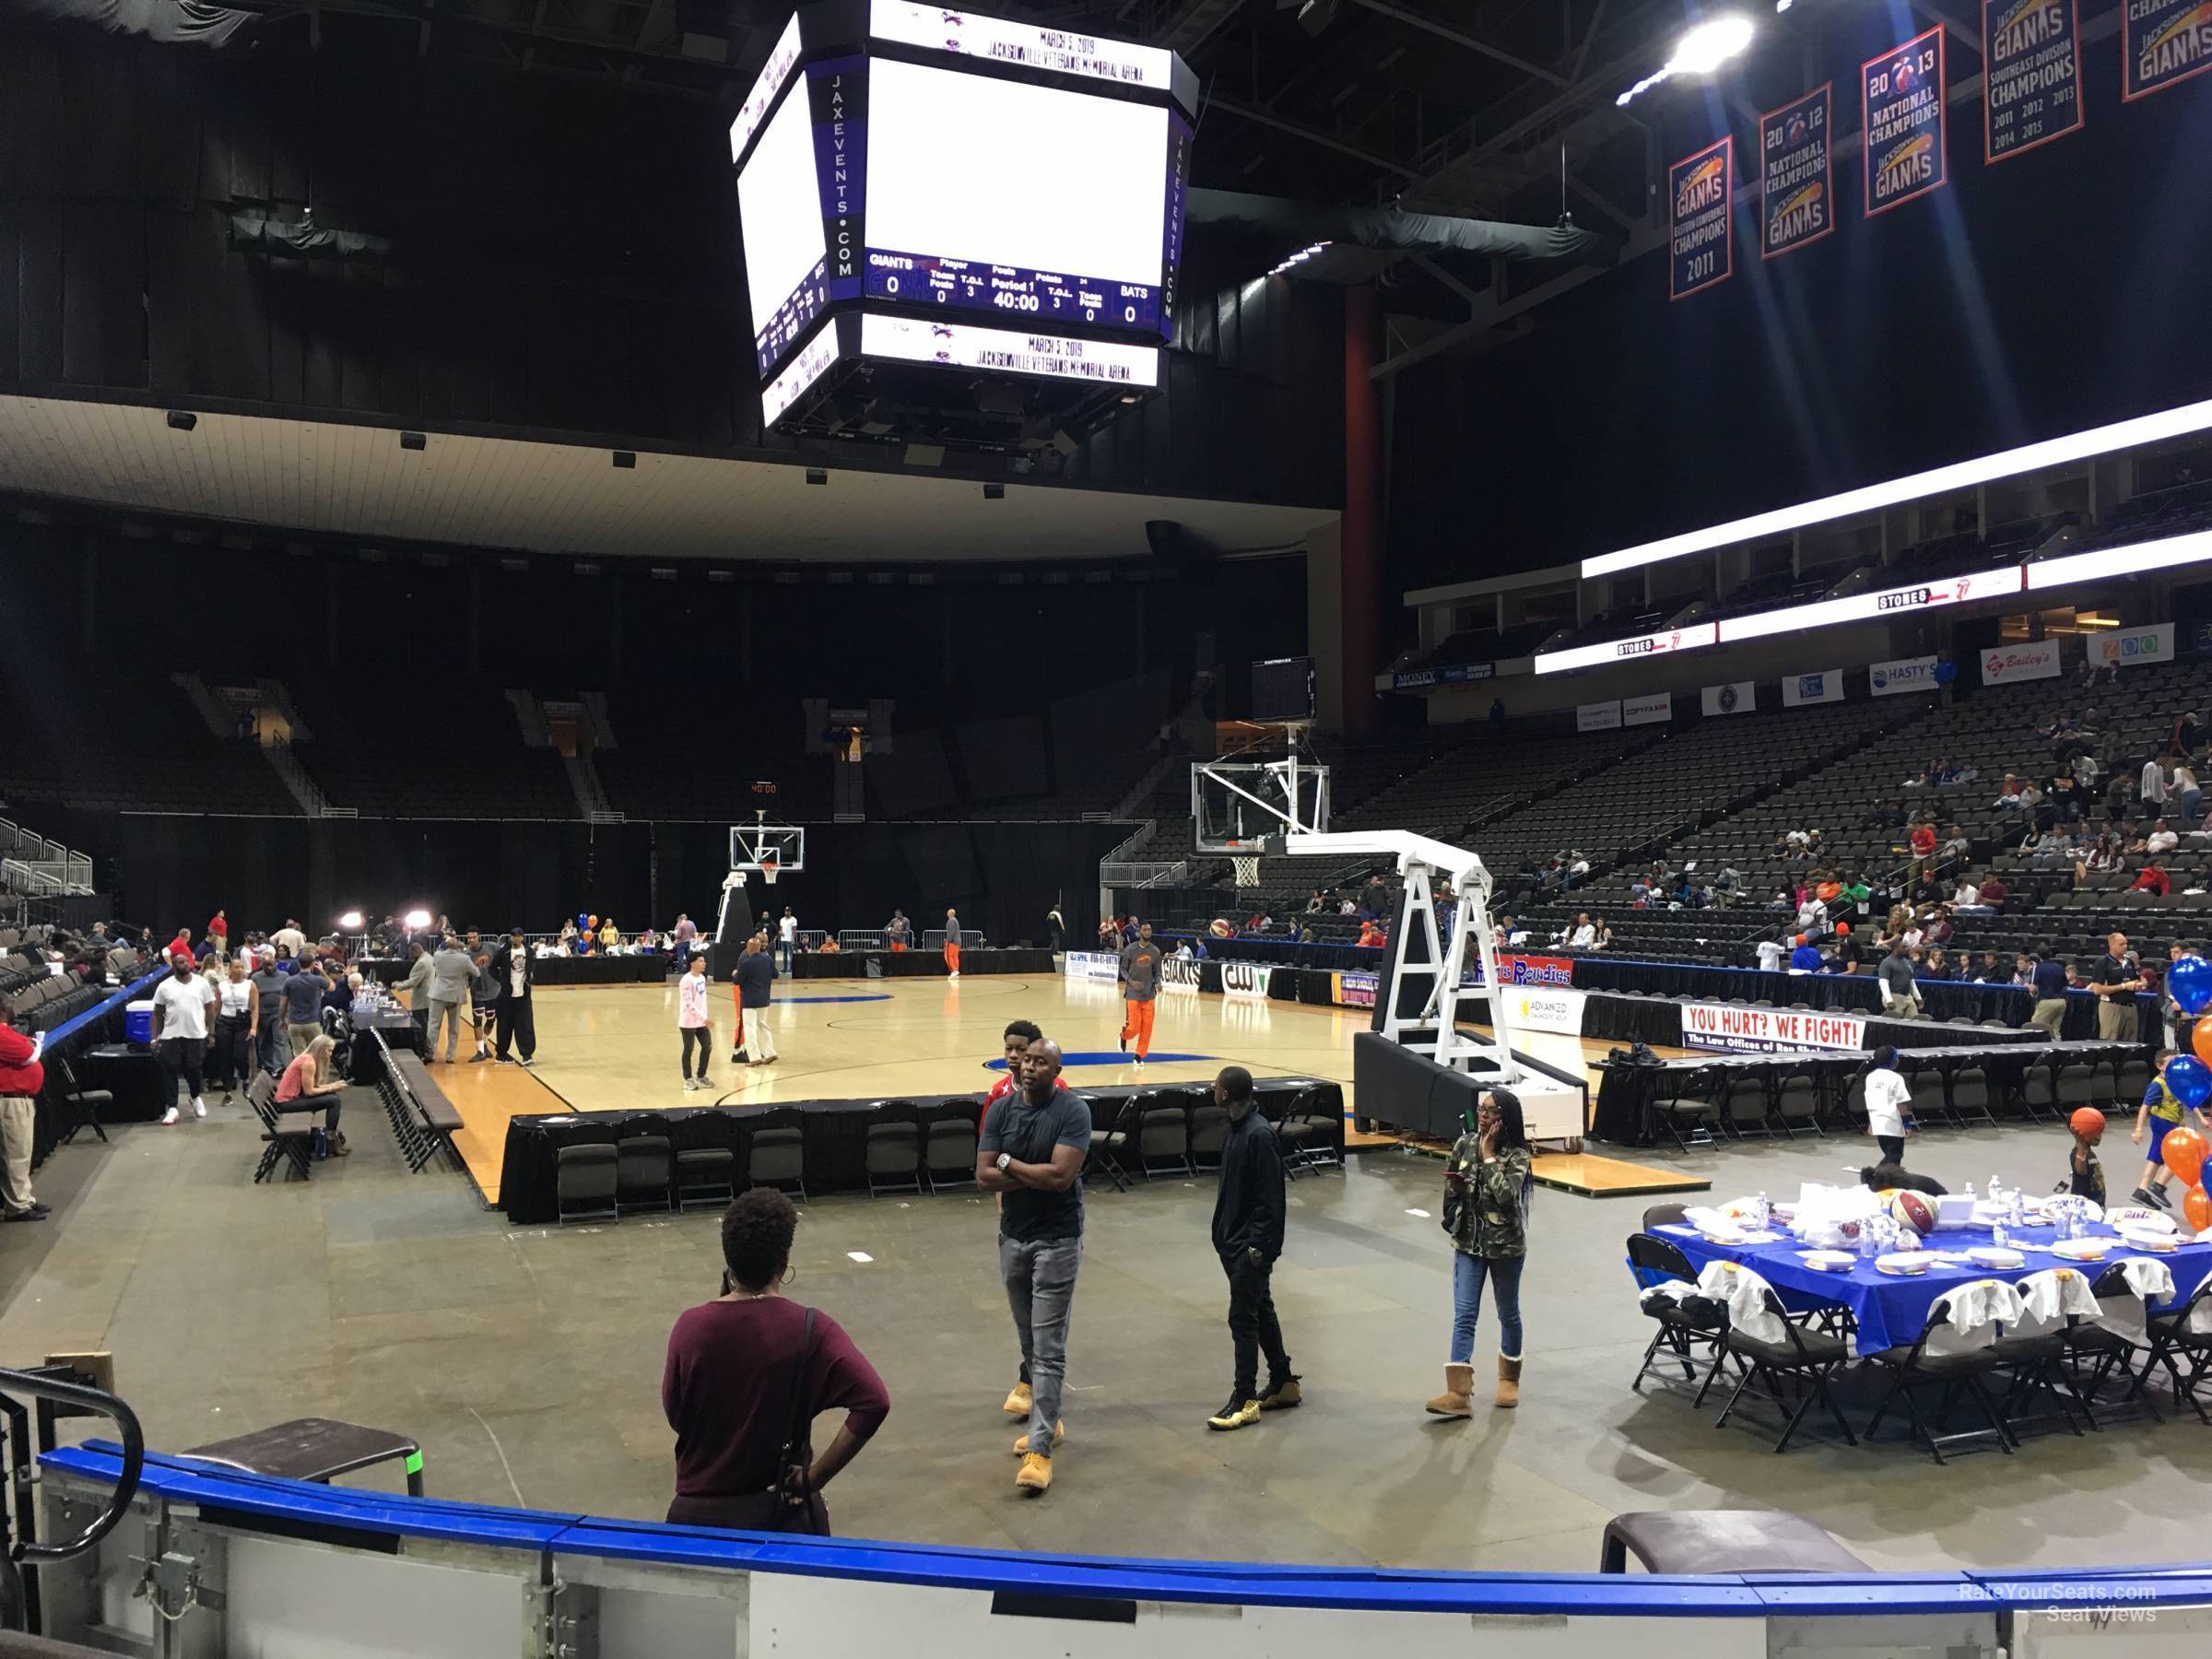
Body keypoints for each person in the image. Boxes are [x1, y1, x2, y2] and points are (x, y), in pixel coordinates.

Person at [662, 1189, 890, 1534]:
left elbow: (677, 1415)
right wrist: (814, 1478)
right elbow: (874, 1402)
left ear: (729, 1261)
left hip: (696, 1519)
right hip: (777, 1514)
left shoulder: (690, 1327)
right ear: (783, 1261)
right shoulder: (812, 1329)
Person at [977, 1041, 1088, 1494]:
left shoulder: (1072, 1112)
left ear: (1056, 1069)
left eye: (1040, 1062)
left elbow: (1061, 1178)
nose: (1029, 1067)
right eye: (1026, 1060)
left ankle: (1040, 1448)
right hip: (1013, 1239)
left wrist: (1009, 1163)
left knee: (1047, 1348)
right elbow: (983, 1176)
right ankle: (1050, 1421)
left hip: (1057, 1242)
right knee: (1028, 1343)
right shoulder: (1001, 1110)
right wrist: (1029, 1171)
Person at [1427, 1088, 1531, 1418]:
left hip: (1506, 1248)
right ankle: (1458, 1393)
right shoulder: (1463, 1145)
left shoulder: (1518, 1155)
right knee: (1465, 1315)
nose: (1482, 1116)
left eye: (1490, 1111)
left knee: (1508, 1313)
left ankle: (1508, 1379)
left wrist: (1487, 1155)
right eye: (1480, 1109)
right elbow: (1449, 1191)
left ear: (1505, 1118)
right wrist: (1456, 1189)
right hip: (1469, 1245)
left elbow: (1506, 1196)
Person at [1206, 1066, 1298, 1431]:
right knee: (1261, 1307)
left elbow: (1271, 1201)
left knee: (1242, 1319)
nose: (1212, 1090)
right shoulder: (1237, 1130)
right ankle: (1283, 1381)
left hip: (1250, 1248)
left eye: (1216, 1086)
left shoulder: (1258, 1135)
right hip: (1234, 1242)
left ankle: (1244, 1398)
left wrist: (1257, 1249)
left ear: (1225, 1094)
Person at [2130, 1052, 2210, 1210]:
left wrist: (2200, 1118)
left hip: (2171, 1121)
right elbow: (2145, 1107)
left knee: (2155, 1158)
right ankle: (2158, 1186)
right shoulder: (2158, 1084)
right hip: (2163, 1122)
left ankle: (2141, 1190)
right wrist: (2138, 1129)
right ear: (2159, 1066)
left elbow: (2187, 1100)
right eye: (2171, 1063)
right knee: (2182, 1154)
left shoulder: (2175, 1080)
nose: (2176, 1067)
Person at [0, 995, 51, 1222]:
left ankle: (24, 1198)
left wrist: (31, 1044)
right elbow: (29, 1053)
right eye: (11, 1004)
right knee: (15, 1155)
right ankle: (18, 1205)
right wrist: (33, 1044)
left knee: (20, 1152)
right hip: (10, 1101)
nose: (15, 1008)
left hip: (19, 1099)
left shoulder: (6, 1031)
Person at [152, 952, 218, 1124]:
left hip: (195, 1034)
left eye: (185, 961)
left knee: (194, 1069)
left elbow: (210, 1009)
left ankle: (195, 1097)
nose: (184, 964)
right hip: (171, 1035)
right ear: (174, 966)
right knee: (169, 1070)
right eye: (179, 962)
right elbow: (157, 1014)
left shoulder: (201, 983)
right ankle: (173, 1107)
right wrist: (154, 1038)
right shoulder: (164, 986)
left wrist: (211, 1032)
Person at [275, 1032, 349, 1152]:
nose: (330, 1055)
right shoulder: (309, 1063)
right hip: (286, 1103)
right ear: (320, 1049)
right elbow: (309, 1092)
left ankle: (331, 1136)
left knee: (333, 1096)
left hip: (291, 1099)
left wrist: (333, 1086)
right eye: (328, 1051)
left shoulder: (307, 1058)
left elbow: (310, 1087)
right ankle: (330, 1138)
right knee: (333, 1100)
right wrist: (331, 1088)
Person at [209, 956, 260, 1106]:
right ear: (230, 970)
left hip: (243, 1023)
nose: (239, 970)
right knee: (225, 1056)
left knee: (239, 1054)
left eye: (241, 967)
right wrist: (210, 1028)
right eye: (236, 967)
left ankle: (244, 1078)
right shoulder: (222, 986)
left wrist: (253, 1027)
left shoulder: (250, 985)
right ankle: (227, 1091)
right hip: (225, 1022)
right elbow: (216, 1007)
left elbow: (255, 1008)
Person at [1117, 922, 1164, 1065]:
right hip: (1133, 993)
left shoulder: (1155, 951)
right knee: (1134, 1027)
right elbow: (1123, 970)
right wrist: (1132, 982)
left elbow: (1157, 972)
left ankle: (1139, 1055)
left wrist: (1158, 982)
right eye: (1144, 929)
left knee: (1147, 1027)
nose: (1147, 932)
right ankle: (1124, 1036)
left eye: (1149, 929)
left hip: (1149, 993)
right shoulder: (1130, 950)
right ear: (1139, 932)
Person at [491, 927, 537, 1065]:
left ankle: (527, 1055)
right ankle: (501, 1054)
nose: (516, 938)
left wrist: (528, 982)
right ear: (510, 937)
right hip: (506, 996)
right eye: (513, 936)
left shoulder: (529, 951)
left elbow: (532, 968)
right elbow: (492, 969)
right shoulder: (503, 952)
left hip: (523, 996)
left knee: (525, 1025)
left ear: (522, 937)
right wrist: (502, 981)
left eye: (518, 936)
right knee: (504, 1025)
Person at [425, 935, 475, 1064]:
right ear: (458, 946)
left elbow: (436, 966)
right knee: (454, 1027)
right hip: (455, 995)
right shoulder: (465, 958)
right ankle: (450, 1056)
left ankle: (430, 1053)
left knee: (433, 1025)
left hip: (438, 993)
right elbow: (476, 973)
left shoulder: (437, 955)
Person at [2092, 931, 2146, 1041]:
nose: (2125, 946)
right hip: (2112, 1007)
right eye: (2121, 944)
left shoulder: (2129, 962)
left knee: (2131, 1044)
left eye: (2126, 943)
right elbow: (2097, 990)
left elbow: (2133, 981)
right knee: (2111, 1043)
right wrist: (2124, 986)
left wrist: (2138, 984)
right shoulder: (2103, 963)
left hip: (2130, 1007)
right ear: (2111, 945)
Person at [735, 935, 779, 1066]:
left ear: (749, 948)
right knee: (763, 1025)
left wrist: (734, 974)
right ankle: (770, 1053)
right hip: (764, 998)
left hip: (749, 1000)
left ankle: (754, 1057)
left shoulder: (745, 962)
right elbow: (775, 975)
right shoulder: (768, 959)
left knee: (750, 1028)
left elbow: (738, 981)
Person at [1863, 1046, 1912, 1165]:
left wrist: (1871, 1122)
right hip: (1892, 1122)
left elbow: (1872, 1101)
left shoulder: (1871, 1077)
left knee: (1890, 1154)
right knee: (1895, 1156)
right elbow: (1901, 1103)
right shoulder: (1896, 1078)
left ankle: (1887, 1180)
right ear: (1894, 1061)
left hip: (1877, 1121)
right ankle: (1874, 1176)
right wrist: (1906, 1123)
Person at [279, 956, 331, 1061]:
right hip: (313, 1022)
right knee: (316, 1054)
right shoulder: (317, 980)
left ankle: (302, 1076)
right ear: (312, 965)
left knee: (299, 1057)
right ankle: (314, 1076)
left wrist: (282, 1019)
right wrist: (322, 971)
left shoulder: (289, 981)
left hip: (295, 1023)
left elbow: (283, 1004)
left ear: (299, 965)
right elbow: (332, 986)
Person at [679, 953, 715, 1091]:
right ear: (692, 964)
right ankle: (688, 1079)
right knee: (688, 1049)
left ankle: (701, 1076)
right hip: (688, 1021)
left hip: (701, 1021)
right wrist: (704, 1018)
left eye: (704, 961)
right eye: (701, 961)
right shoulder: (686, 980)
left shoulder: (701, 978)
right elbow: (689, 1004)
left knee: (707, 1046)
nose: (704, 963)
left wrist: (704, 1018)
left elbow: (701, 1001)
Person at [2063, 1107, 2107, 1206]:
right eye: (2095, 1133)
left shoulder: (2091, 1153)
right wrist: (2081, 1145)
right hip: (2083, 1206)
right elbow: (2081, 1171)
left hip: (2097, 1203)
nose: (2100, 1136)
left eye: (2100, 1132)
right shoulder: (2076, 1153)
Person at [1878, 942, 1918, 1018]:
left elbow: (1911, 981)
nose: (1907, 949)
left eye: (1907, 947)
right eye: (1904, 947)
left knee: (1914, 1022)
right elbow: (1883, 983)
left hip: (1908, 996)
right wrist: (1889, 1000)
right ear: (1895, 949)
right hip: (1895, 996)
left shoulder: (1907, 962)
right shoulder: (1887, 962)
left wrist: (1918, 997)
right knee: (1894, 1024)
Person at [776, 908, 798, 975]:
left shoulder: (793, 919)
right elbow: (781, 928)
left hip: (789, 939)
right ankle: (785, 968)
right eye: (786, 911)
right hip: (783, 939)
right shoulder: (782, 919)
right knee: (784, 954)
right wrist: (780, 932)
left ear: (790, 912)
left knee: (790, 954)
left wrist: (793, 938)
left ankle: (790, 968)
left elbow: (794, 929)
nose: (787, 912)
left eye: (788, 911)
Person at [943, 908, 961, 980]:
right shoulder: (956, 920)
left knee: (948, 956)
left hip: (952, 942)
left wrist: (948, 940)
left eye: (948, 912)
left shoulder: (951, 921)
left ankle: (954, 971)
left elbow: (951, 932)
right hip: (957, 942)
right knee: (955, 957)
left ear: (949, 914)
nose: (947, 913)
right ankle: (956, 971)